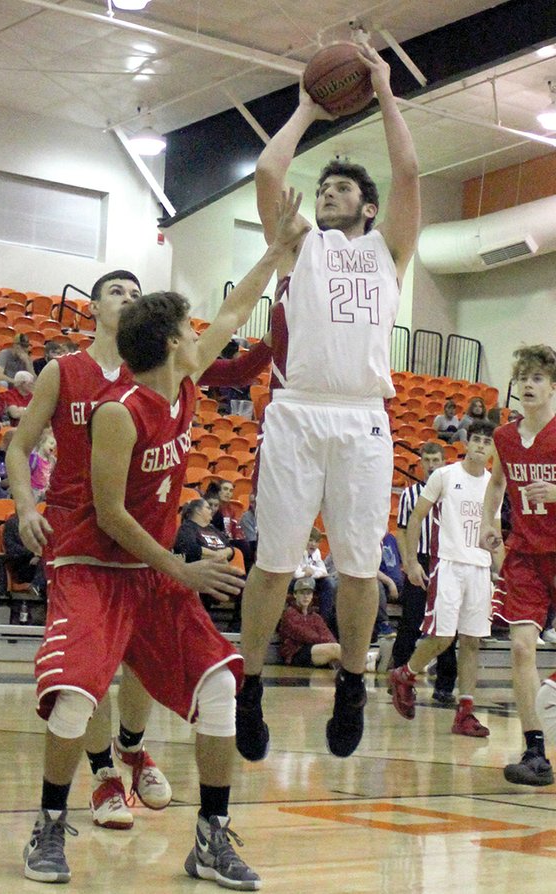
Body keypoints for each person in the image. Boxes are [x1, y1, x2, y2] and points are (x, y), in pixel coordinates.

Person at [20, 195, 301, 886]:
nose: (199, 334)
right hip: (93, 562)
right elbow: (112, 514)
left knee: (218, 690)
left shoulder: (185, 381)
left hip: (150, 571)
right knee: (78, 694)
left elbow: (234, 312)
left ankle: (209, 836)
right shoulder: (119, 413)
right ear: (174, 340)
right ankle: (50, 825)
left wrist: (275, 251)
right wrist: (182, 566)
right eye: (187, 327)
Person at [236, 44, 421, 761]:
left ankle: (351, 679)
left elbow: (408, 171)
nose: (327, 196)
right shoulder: (297, 246)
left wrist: (383, 92)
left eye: (341, 191)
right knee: (275, 563)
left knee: (354, 564)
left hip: (363, 418)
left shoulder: (388, 251)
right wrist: (310, 106)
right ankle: (249, 684)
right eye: (325, 190)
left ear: (368, 208)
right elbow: (268, 170)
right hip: (297, 410)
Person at [6, 269, 171, 834]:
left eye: (134, 293)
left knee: (144, 659)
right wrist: (27, 507)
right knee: (92, 663)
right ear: (94, 309)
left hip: (139, 531)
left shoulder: (147, 375)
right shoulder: (64, 370)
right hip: (77, 532)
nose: (128, 299)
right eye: (116, 292)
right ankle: (103, 775)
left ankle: (133, 747)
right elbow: (19, 445)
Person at [390, 421, 499, 736]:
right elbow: (415, 517)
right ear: (467, 443)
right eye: (476, 439)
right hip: (448, 564)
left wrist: (502, 571)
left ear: (493, 449)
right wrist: (411, 561)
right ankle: (406, 673)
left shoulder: (494, 484)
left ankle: (465, 712)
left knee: (472, 641)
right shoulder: (444, 476)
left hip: (479, 567)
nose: (480, 445)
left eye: (486, 441)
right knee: (442, 637)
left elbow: (493, 533)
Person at [481, 344, 556, 786]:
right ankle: (534, 750)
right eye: (522, 378)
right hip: (525, 553)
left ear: (552, 387)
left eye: (537, 378)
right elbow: (495, 483)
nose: (527, 385)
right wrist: (488, 523)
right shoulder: (504, 437)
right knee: (521, 646)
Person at [391, 441, 457, 703]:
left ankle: (445, 685)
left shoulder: (453, 493)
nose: (431, 465)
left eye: (436, 460)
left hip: (446, 559)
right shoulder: (410, 494)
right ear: (420, 463)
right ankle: (398, 675)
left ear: (444, 463)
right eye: (427, 460)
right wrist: (408, 562)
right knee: (411, 621)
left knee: (446, 623)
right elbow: (402, 530)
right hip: (419, 558)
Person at [279, 579, 342, 669]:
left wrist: (328, 642)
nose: (306, 596)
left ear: (312, 596)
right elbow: (305, 635)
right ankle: (361, 665)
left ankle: (363, 667)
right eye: (302, 593)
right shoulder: (289, 614)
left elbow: (327, 634)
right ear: (295, 595)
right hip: (296, 653)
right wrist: (327, 642)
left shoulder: (315, 616)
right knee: (335, 649)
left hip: (314, 649)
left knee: (335, 657)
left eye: (308, 593)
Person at [374, 531, 403, 639]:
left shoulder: (391, 538)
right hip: (382, 583)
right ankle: (383, 624)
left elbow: (401, 561)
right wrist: (390, 583)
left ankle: (418, 625)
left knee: (416, 585)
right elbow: (371, 568)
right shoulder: (370, 540)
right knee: (375, 585)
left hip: (398, 584)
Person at [29, 429, 56, 502]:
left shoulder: (52, 460)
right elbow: (27, 474)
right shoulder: (34, 458)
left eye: (55, 446)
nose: (53, 447)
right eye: (51, 443)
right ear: (42, 442)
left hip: (44, 491)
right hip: (33, 490)